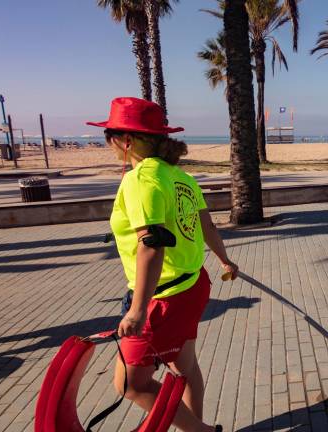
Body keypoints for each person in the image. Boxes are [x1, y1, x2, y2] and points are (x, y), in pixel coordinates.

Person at [88, 97, 236, 432]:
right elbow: (208, 226)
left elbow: (151, 243)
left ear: (124, 141)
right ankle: (198, 425)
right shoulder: (180, 177)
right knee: (185, 367)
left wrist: (137, 310)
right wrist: (225, 259)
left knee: (131, 383)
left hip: (163, 298)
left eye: (108, 137)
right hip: (193, 285)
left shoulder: (141, 179)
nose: (109, 145)